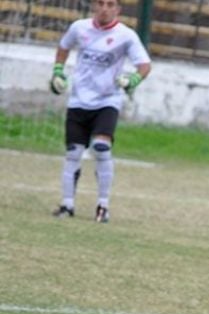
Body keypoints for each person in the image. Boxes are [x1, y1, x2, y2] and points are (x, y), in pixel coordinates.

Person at [50, 0, 151, 223]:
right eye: (101, 3)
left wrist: (132, 79)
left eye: (110, 4)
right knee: (73, 153)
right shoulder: (79, 28)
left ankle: (103, 206)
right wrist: (58, 72)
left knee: (101, 148)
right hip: (78, 100)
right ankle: (67, 204)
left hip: (107, 101)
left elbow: (144, 65)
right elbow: (63, 47)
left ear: (118, 9)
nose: (105, 8)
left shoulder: (126, 35)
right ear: (94, 6)